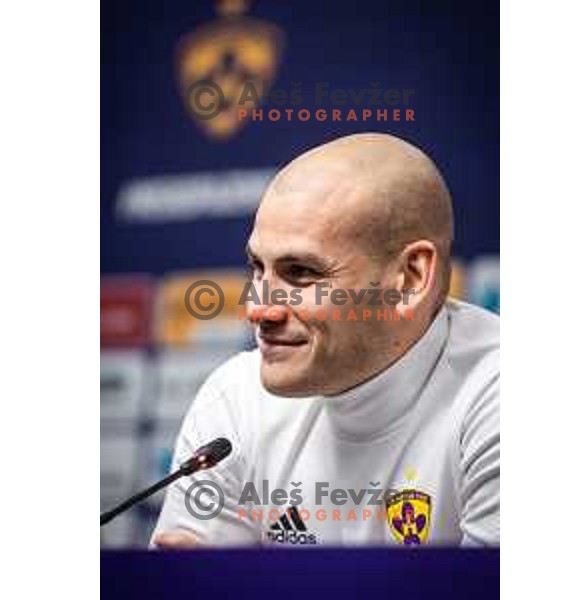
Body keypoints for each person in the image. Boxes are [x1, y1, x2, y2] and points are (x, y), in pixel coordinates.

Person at [152, 132, 499, 548]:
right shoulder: (235, 398)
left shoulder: (501, 393)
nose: (258, 309)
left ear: (409, 279)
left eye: (300, 272)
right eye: (258, 269)